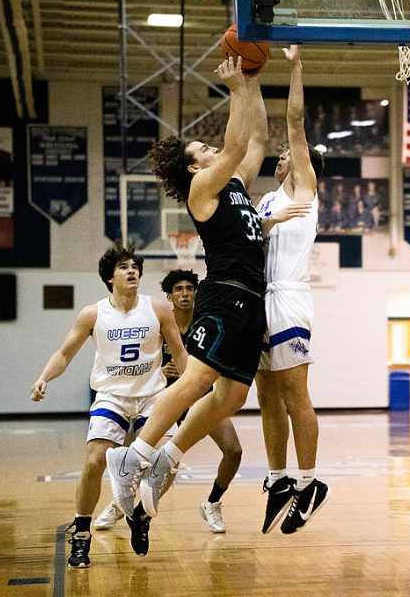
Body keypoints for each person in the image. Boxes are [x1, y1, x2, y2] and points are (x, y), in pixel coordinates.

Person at [104, 56, 310, 547]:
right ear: (196, 166)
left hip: (251, 300)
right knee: (198, 379)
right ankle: (133, 455)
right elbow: (238, 142)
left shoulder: (235, 184)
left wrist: (255, 82)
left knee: (234, 396)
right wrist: (236, 87)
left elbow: (255, 139)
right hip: (223, 295)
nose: (216, 150)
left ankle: (170, 455)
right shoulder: (203, 189)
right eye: (206, 149)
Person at [31, 244, 187, 567]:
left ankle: (140, 515)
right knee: (94, 461)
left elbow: (181, 354)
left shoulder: (158, 309)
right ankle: (82, 532)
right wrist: (45, 377)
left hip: (151, 396)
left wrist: (192, 389)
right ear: (109, 277)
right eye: (123, 267)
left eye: (135, 266)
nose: (132, 271)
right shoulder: (93, 314)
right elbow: (63, 354)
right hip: (111, 396)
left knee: (168, 461)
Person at [93, 269, 242, 534]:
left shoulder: (206, 320)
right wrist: (160, 372)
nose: (185, 294)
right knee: (146, 459)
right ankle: (120, 506)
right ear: (170, 296)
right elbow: (137, 359)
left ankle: (212, 502)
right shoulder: (158, 320)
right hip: (161, 396)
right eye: (179, 289)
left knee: (233, 450)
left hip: (200, 396)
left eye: (189, 289)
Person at [254, 45, 329, 535]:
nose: (286, 156)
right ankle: (279, 478)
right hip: (261, 299)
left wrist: (295, 67)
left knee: (294, 391)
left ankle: (310, 481)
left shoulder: (304, 188)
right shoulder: (266, 199)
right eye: (282, 155)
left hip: (289, 297)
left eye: (292, 154)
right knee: (266, 396)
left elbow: (295, 125)